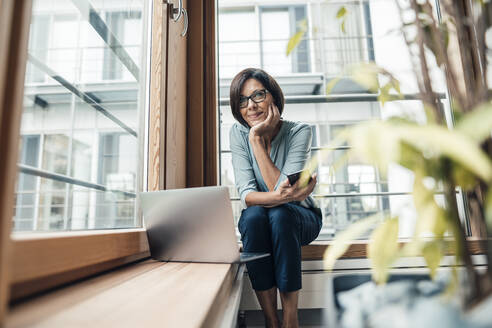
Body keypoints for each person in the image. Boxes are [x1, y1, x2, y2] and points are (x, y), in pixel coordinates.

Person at [229, 68, 322, 328]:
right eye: (243, 100)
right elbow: (247, 195)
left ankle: (291, 318)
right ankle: (271, 320)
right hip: (265, 216)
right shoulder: (238, 134)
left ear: (274, 97)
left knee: (280, 215)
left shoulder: (299, 131)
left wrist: (257, 140)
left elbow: (277, 187)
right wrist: (287, 195)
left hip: (301, 218)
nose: (251, 105)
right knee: (255, 217)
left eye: (258, 95)